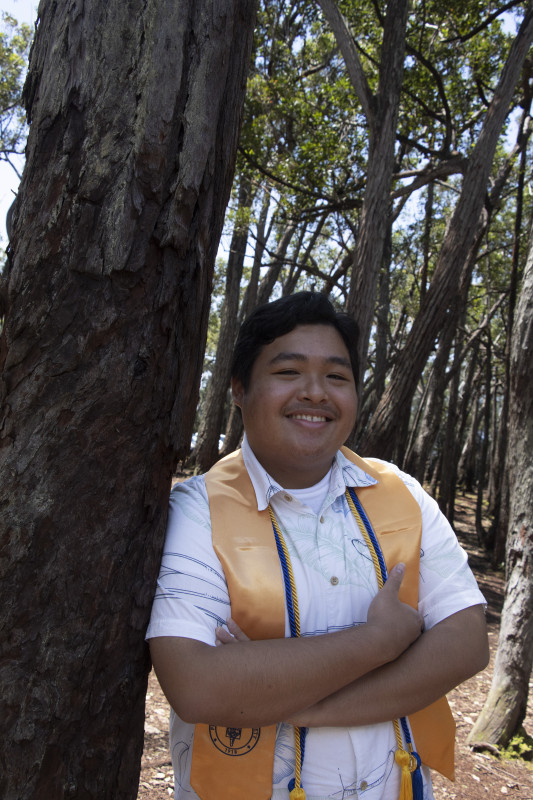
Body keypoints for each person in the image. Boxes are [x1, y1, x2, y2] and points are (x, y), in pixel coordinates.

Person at [146, 291, 488, 800]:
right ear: (240, 387)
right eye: (288, 372)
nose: (315, 392)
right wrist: (380, 643)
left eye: (336, 376)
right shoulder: (198, 510)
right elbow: (197, 685)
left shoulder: (401, 495)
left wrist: (287, 701)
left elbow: (465, 643)